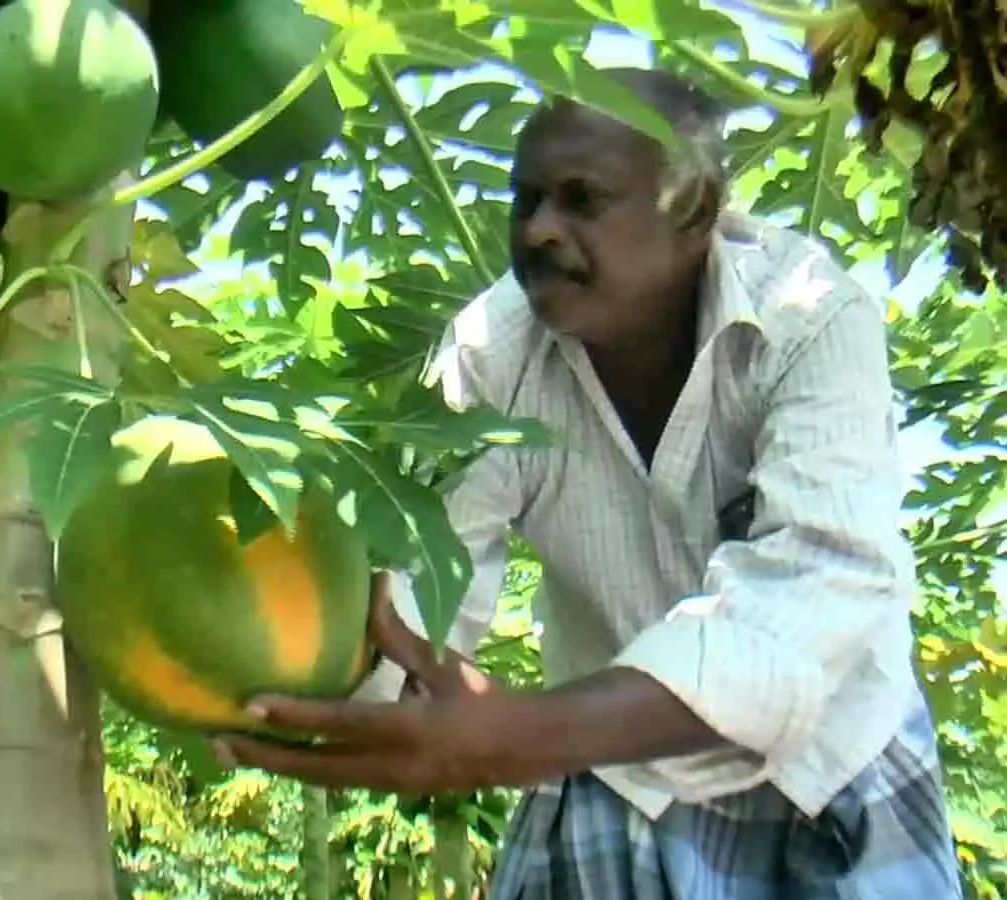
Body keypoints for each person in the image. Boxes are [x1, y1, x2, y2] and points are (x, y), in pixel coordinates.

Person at [209, 66, 964, 899]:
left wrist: (521, 737)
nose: (538, 229)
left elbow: (817, 588)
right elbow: (425, 591)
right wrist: (307, 688)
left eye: (582, 199)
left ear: (695, 211)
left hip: (828, 762)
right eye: (525, 200)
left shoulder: (808, 315)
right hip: (614, 774)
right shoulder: (490, 355)